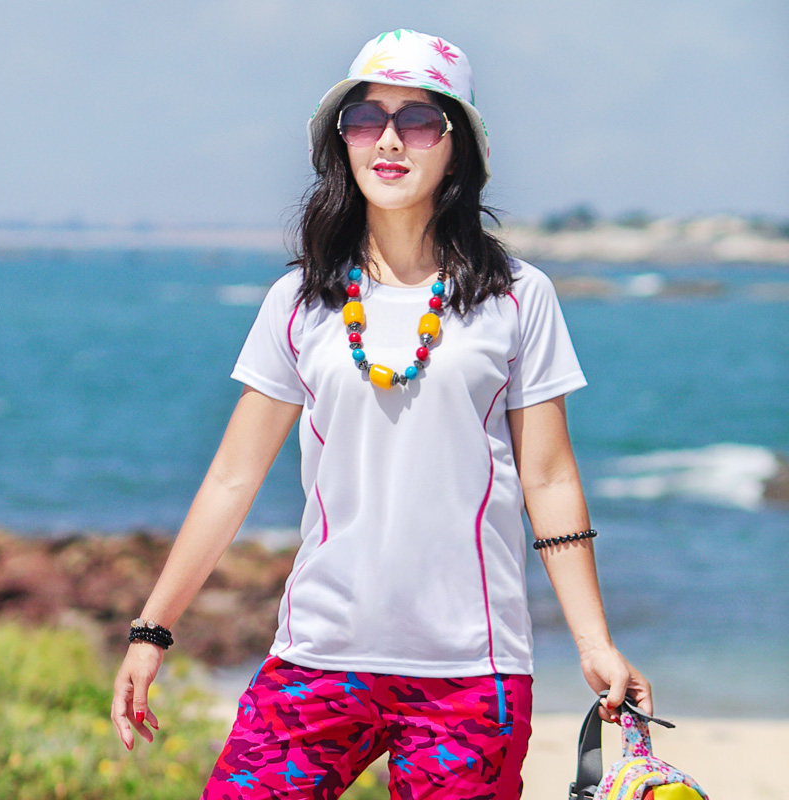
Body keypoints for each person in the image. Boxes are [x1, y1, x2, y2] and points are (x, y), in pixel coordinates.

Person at [111, 29, 652, 799]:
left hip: (474, 677)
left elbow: (550, 478)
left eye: (420, 121)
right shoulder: (300, 300)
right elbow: (233, 478)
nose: (390, 139)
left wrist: (594, 643)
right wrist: (151, 630)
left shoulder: (516, 296)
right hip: (317, 658)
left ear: (458, 150)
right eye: (366, 118)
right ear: (343, 142)